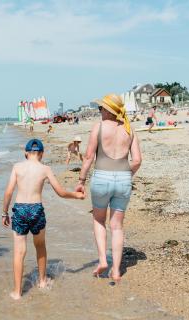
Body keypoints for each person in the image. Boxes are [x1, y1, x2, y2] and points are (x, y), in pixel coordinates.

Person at [2, 139, 85, 300]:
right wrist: (77, 195)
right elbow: (60, 192)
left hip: (20, 209)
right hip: (36, 209)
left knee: (19, 251)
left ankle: (17, 292)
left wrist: (5, 213)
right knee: (40, 246)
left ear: (26, 153)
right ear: (41, 154)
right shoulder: (45, 169)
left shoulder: (17, 167)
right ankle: (42, 281)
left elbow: (8, 192)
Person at [75, 93, 142, 283]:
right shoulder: (130, 130)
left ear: (107, 110)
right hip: (123, 179)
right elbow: (137, 161)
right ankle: (116, 271)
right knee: (117, 227)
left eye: (100, 108)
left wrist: (81, 180)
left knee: (98, 220)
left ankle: (103, 260)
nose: (100, 112)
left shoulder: (99, 127)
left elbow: (88, 157)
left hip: (101, 179)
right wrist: (126, 176)